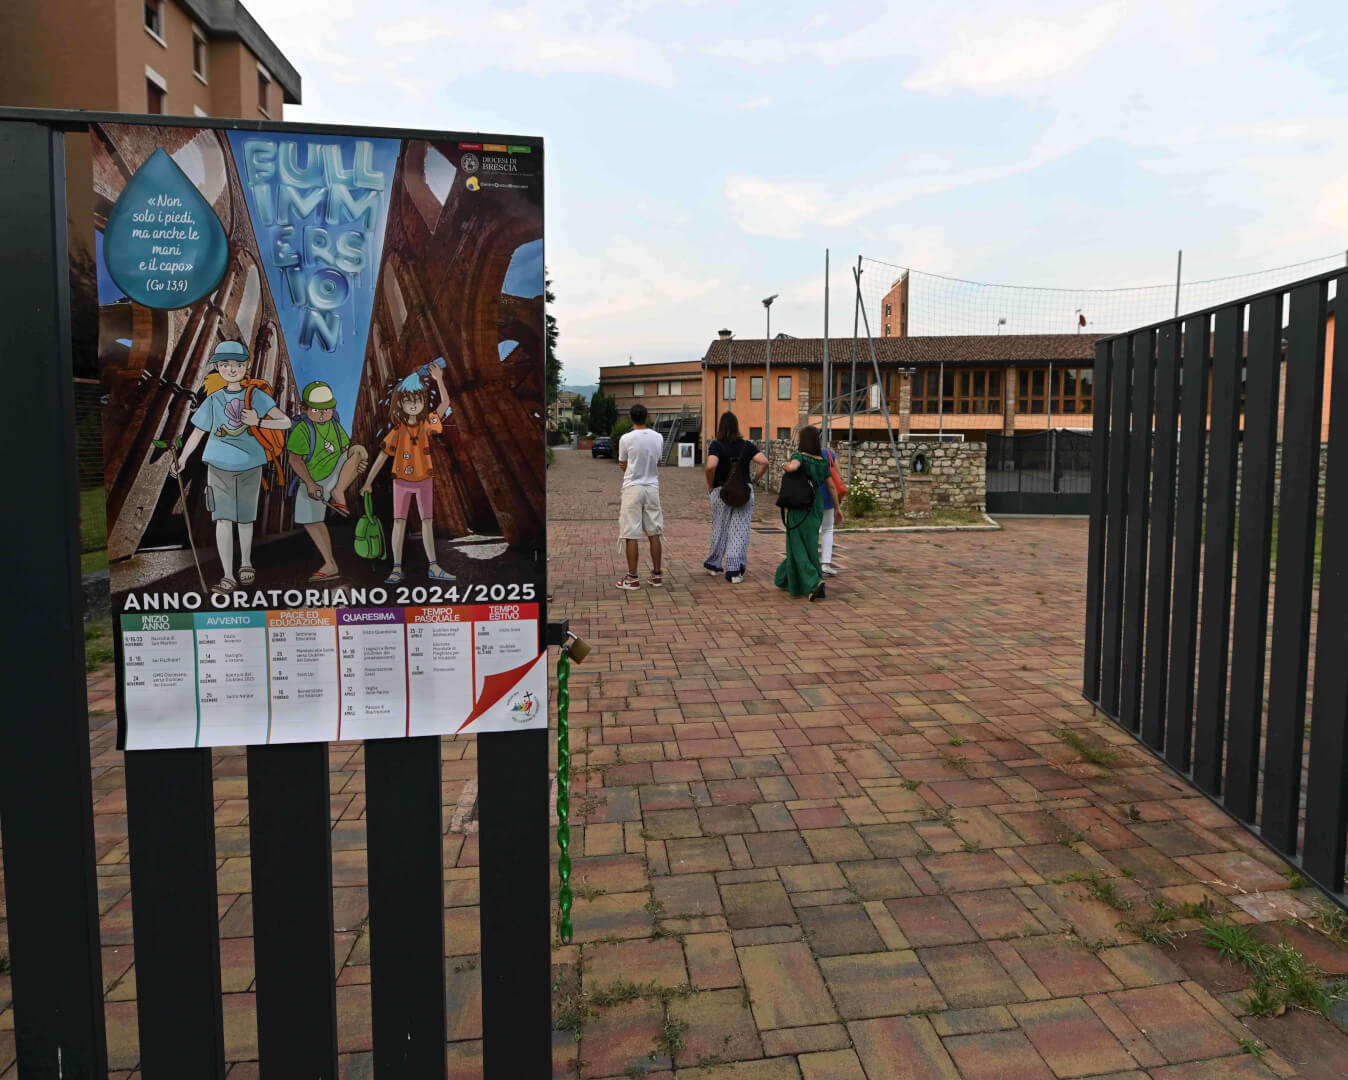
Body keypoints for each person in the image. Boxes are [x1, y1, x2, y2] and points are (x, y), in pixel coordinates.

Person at [171, 339, 292, 593]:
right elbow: (198, 432)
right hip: (218, 465)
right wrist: (182, 458)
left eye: (237, 364)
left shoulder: (256, 396)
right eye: (225, 364)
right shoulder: (213, 399)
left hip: (250, 465)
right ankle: (227, 575)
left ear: (246, 366)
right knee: (223, 520)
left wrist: (259, 421)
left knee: (245, 520)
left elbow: (285, 422)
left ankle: (246, 563)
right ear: (218, 368)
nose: (231, 369)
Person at [360, 365, 455, 584]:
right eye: (408, 400)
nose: (413, 404)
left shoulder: (426, 424)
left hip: (424, 479)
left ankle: (434, 566)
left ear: (423, 401)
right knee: (399, 523)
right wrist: (368, 482)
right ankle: (396, 568)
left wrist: (439, 380)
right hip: (401, 481)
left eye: (418, 399)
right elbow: (383, 456)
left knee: (427, 522)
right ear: (400, 404)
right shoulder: (397, 431)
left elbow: (445, 404)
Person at [287, 381, 368, 582]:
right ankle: (330, 564)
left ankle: (338, 492)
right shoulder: (302, 430)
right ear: (306, 409)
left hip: (334, 474)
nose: (323, 414)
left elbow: (346, 451)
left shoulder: (335, 426)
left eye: (327, 409)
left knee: (359, 450)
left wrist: (354, 467)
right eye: (316, 410)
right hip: (312, 478)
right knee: (311, 521)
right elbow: (294, 459)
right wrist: (310, 484)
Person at [773, 425, 841, 601]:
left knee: (796, 544)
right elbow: (832, 486)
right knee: (809, 545)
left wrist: (784, 465)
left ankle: (813, 582)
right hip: (816, 505)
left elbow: (792, 467)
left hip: (799, 504)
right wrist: (837, 508)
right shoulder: (822, 461)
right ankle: (783, 578)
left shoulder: (799, 456)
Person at [703, 411, 768, 583]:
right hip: (743, 492)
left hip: (721, 491)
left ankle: (714, 565)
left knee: (719, 528)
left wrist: (710, 485)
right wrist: (754, 480)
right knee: (739, 531)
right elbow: (764, 462)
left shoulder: (716, 445)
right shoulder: (747, 446)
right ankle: (734, 571)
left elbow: (710, 466)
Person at [615, 403, 664, 589]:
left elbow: (622, 463)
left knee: (631, 533)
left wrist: (633, 471)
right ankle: (657, 575)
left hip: (632, 488)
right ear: (647, 416)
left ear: (630, 417)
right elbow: (659, 462)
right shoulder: (658, 437)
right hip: (652, 487)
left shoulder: (626, 438)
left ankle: (632, 578)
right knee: (654, 531)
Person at [820, 441, 841, 576]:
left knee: (811, 532)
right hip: (828, 497)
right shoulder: (829, 453)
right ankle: (826, 564)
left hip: (809, 499)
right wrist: (838, 505)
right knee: (827, 530)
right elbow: (837, 476)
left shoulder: (801, 455)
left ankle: (810, 564)